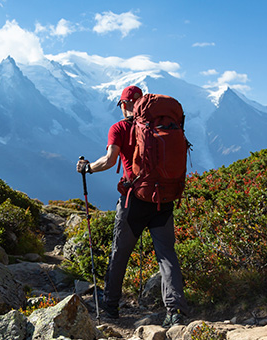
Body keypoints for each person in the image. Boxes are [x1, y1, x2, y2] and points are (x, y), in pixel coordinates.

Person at [76, 85, 188, 327]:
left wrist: (87, 167)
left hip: (134, 201)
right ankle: (175, 311)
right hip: (164, 199)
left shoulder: (119, 128)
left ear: (125, 104)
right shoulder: (163, 124)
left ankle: (110, 307)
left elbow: (109, 160)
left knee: (120, 254)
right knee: (167, 256)